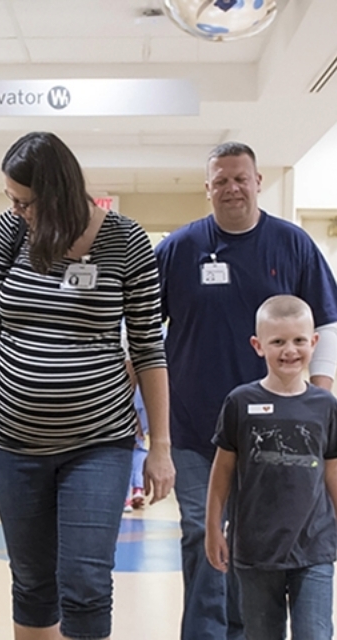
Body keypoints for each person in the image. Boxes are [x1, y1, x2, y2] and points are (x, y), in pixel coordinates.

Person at [0, 131, 175, 640]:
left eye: (26, 201)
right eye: (11, 200)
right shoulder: (9, 232)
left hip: (99, 441)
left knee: (86, 581)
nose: (18, 210)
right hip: (11, 441)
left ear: (60, 193)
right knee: (32, 578)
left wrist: (161, 447)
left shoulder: (127, 241)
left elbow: (150, 348)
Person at [155, 141, 337, 639]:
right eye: (221, 180)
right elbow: (144, 332)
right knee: (202, 533)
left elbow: (327, 324)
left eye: (241, 178)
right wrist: (147, 416)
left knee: (260, 540)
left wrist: (316, 398)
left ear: (258, 181)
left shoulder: (293, 244)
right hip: (195, 426)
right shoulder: (177, 249)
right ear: (207, 187)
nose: (232, 188)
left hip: (278, 432)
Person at [205, 295, 337, 640]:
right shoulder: (240, 402)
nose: (289, 350)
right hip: (255, 551)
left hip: (314, 548)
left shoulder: (325, 405)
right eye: (277, 341)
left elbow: (332, 472)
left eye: (298, 340)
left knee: (315, 633)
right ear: (258, 345)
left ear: (314, 342)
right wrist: (213, 528)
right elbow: (222, 472)